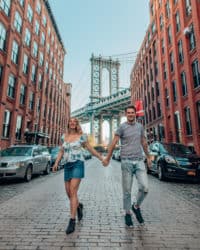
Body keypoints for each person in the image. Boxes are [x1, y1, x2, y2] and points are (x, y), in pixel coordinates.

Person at [53, 117, 104, 234]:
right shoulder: (64, 136)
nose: (72, 123)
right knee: (69, 194)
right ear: (68, 124)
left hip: (78, 164)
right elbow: (61, 151)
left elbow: (90, 149)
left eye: (74, 122)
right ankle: (79, 206)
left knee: (73, 191)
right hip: (67, 165)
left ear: (77, 125)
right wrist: (56, 163)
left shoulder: (82, 136)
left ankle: (72, 220)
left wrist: (101, 158)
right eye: (70, 121)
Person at [103, 105, 151, 227]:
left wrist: (149, 157)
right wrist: (108, 158)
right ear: (126, 114)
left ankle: (136, 206)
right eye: (128, 112)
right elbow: (113, 142)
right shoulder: (121, 127)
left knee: (145, 187)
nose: (130, 114)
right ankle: (128, 213)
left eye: (132, 112)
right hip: (126, 162)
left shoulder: (140, 127)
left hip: (139, 161)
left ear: (135, 114)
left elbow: (144, 142)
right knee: (127, 191)